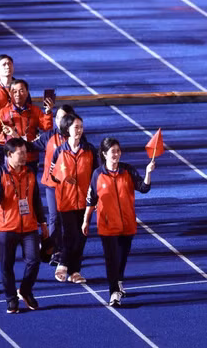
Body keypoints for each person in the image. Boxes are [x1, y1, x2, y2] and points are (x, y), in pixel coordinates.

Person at [82, 138, 154, 307]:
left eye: (118, 151)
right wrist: (86, 221)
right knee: (111, 259)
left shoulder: (127, 170)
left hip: (127, 223)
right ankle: (114, 292)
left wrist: (148, 173)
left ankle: (119, 280)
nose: (116, 154)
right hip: (107, 226)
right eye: (112, 151)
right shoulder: (97, 175)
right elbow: (91, 200)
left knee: (122, 256)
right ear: (104, 154)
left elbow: (143, 188)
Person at [0, 137, 48, 314]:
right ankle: (11, 299)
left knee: (34, 261)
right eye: (20, 153)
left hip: (29, 226)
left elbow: (36, 198)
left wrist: (42, 222)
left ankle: (25, 290)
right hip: (6, 228)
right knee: (7, 266)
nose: (24, 156)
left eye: (25, 152)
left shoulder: (30, 172)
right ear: (9, 155)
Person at [50, 113, 97, 284]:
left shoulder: (90, 150)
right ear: (67, 129)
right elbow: (51, 175)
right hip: (66, 201)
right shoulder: (59, 151)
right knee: (70, 235)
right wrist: (63, 176)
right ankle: (63, 264)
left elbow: (97, 175)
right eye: (75, 127)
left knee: (82, 236)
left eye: (81, 127)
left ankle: (75, 271)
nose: (79, 130)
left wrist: (96, 199)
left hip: (85, 202)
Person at [32, 104, 75, 266]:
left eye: (63, 118)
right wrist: (17, 140)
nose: (59, 121)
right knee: (54, 217)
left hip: (71, 187)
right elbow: (31, 146)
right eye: (57, 118)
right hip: (52, 185)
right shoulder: (49, 136)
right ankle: (54, 250)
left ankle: (69, 250)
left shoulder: (77, 138)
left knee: (69, 220)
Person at [0, 78, 53, 172]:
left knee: (31, 184)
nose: (18, 94)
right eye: (14, 91)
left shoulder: (35, 110)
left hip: (30, 155)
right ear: (10, 94)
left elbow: (47, 128)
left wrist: (48, 112)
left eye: (21, 91)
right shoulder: (3, 112)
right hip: (12, 158)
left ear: (27, 93)